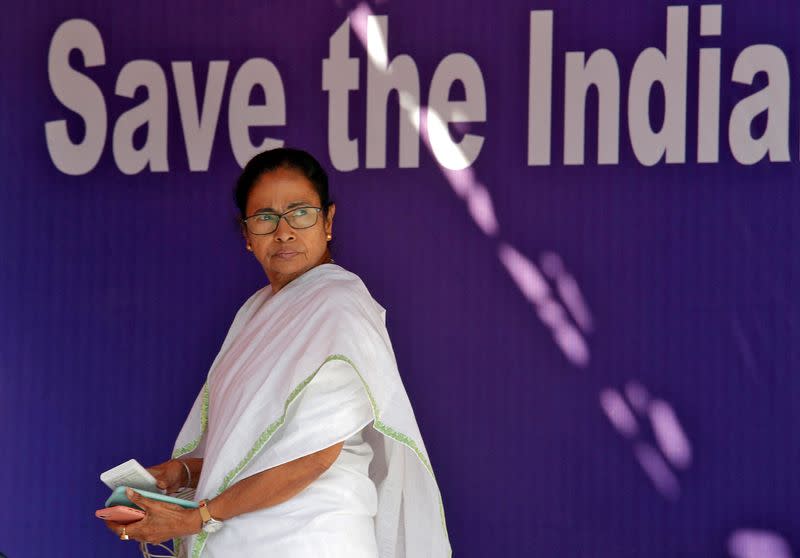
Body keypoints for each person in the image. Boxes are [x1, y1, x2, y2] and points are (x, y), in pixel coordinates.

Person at [104, 148, 451, 558]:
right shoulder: (256, 311)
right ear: (247, 235)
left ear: (328, 221)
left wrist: (198, 518)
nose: (283, 231)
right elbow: (253, 452)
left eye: (300, 212)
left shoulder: (340, 305)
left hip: (313, 541)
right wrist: (181, 473)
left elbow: (313, 457)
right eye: (265, 217)